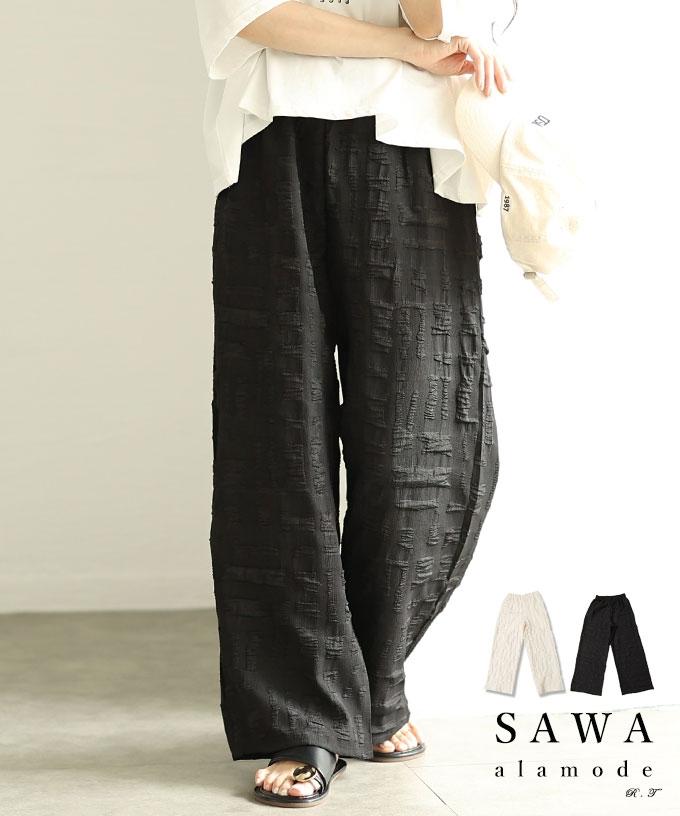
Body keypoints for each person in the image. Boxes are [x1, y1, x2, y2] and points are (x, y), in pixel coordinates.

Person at [193, 0, 511, 806]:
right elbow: (252, 15)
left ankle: (373, 683)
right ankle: (302, 717)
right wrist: (398, 47)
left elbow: (438, 22)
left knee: (426, 435)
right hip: (275, 142)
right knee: (277, 433)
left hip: (417, 151)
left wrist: (415, 44)